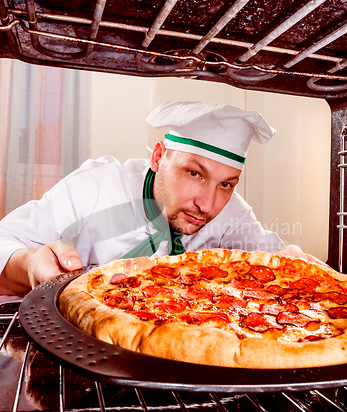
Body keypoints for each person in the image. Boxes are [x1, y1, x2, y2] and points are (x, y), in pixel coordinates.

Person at [0, 101, 320, 297]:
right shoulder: (97, 187)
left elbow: (267, 253)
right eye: (194, 173)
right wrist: (29, 266)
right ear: (158, 157)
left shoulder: (230, 212)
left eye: (226, 184)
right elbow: (6, 243)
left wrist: (289, 259)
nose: (207, 204)